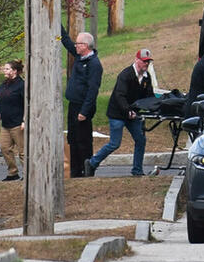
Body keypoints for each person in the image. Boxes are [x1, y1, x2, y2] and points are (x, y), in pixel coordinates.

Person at [86, 48, 155, 177]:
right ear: (137, 60)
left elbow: (149, 97)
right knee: (114, 143)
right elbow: (119, 95)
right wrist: (127, 110)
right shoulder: (125, 75)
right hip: (117, 114)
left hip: (132, 114)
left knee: (140, 139)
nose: (146, 64)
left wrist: (156, 107)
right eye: (144, 61)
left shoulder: (146, 78)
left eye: (148, 62)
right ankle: (92, 163)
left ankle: (137, 170)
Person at [61, 25, 103, 177]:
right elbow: (65, 42)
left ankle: (86, 169)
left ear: (85, 46)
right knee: (72, 138)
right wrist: (57, 29)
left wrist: (84, 112)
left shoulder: (94, 64)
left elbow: (93, 91)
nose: (75, 46)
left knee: (83, 140)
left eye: (78, 44)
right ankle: (74, 170)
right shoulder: (80, 57)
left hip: (83, 108)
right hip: (73, 105)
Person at [0, 59, 25, 182]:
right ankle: (13, 172)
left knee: (23, 151)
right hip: (5, 124)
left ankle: (28, 174)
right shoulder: (4, 85)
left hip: (18, 123)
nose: (5, 70)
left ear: (14, 71)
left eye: (7, 69)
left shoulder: (21, 85)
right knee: (4, 148)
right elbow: (0, 103)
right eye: (4, 68)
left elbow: (26, 103)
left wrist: (24, 121)